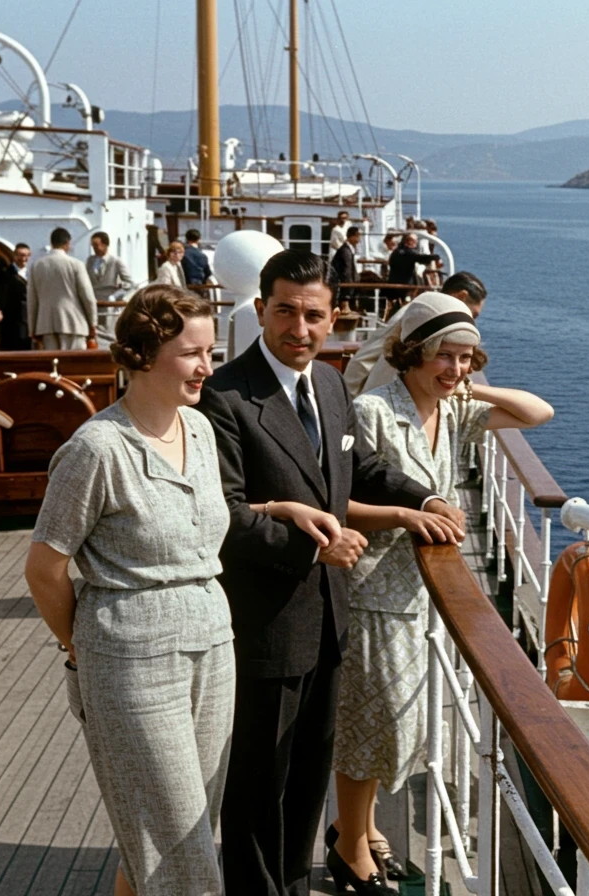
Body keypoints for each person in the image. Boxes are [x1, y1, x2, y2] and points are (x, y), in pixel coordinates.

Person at [197, 250, 467, 896]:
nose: (299, 327)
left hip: (330, 621)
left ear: (333, 318)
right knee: (259, 785)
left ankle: (291, 884)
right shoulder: (227, 397)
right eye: (285, 310)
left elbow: (359, 470)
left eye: (313, 315)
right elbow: (224, 517)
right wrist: (311, 546)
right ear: (259, 309)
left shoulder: (329, 384)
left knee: (309, 777)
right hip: (266, 624)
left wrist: (422, 500)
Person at [326, 292, 553, 892]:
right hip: (374, 588)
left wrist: (468, 387)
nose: (454, 369)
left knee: (390, 725)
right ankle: (350, 849)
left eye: (466, 358)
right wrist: (404, 515)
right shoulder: (372, 410)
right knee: (373, 725)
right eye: (443, 357)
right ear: (411, 354)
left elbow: (538, 413)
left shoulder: (455, 413)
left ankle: (362, 830)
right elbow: (337, 501)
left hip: (420, 596)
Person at [24, 285, 241, 895]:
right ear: (142, 355)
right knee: (179, 850)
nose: (207, 367)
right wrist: (80, 649)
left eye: (211, 351)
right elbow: (43, 569)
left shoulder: (199, 429)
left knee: (176, 831)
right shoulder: (97, 450)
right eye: (191, 354)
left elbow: (204, 526)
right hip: (131, 660)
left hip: (213, 646)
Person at [342, 272, 486, 397]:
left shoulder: (421, 315)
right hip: (384, 403)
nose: (470, 322)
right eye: (473, 314)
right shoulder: (416, 317)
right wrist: (350, 407)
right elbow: (364, 358)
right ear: (461, 296)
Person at [27, 227, 97, 350]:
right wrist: (93, 323)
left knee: (52, 365)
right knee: (74, 366)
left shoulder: (37, 265)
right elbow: (88, 297)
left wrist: (32, 328)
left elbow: (32, 300)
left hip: (46, 324)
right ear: (68, 243)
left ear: (51, 243)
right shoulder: (76, 264)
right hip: (74, 322)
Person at [0, 242, 32, 351]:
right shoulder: (4, 274)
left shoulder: (32, 273)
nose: (23, 258)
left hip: (28, 322)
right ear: (14, 256)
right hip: (11, 323)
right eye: (20, 255)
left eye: (26, 255)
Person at [88, 231, 136, 302]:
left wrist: (116, 295)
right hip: (94, 301)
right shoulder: (90, 261)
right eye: (93, 245)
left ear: (105, 245)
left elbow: (131, 284)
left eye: (96, 245)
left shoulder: (115, 261)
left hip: (110, 303)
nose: (94, 248)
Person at [330, 225, 361, 307]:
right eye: (357, 236)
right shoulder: (345, 251)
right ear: (352, 236)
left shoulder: (348, 249)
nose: (359, 239)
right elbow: (347, 270)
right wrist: (349, 288)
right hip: (345, 285)